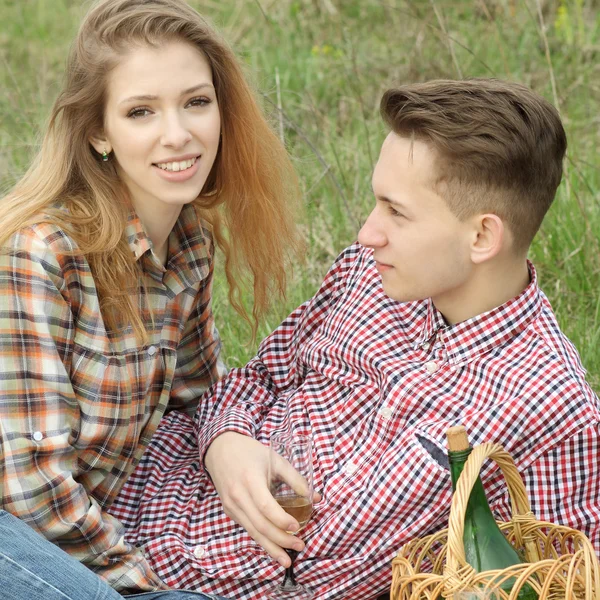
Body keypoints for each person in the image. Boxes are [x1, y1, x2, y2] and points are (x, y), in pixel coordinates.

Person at [108, 78, 600, 599]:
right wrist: (227, 446)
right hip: (123, 515)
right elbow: (256, 379)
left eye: (396, 211)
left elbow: (561, 581)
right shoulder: (367, 274)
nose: (368, 232)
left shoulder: (551, 407)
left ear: (482, 237)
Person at [0, 0, 300, 596]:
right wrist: (145, 582)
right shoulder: (40, 255)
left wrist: (230, 443)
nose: (178, 134)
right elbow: (30, 490)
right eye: (141, 111)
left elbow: (199, 395)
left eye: (196, 101)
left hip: (85, 534)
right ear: (98, 133)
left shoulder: (188, 246)